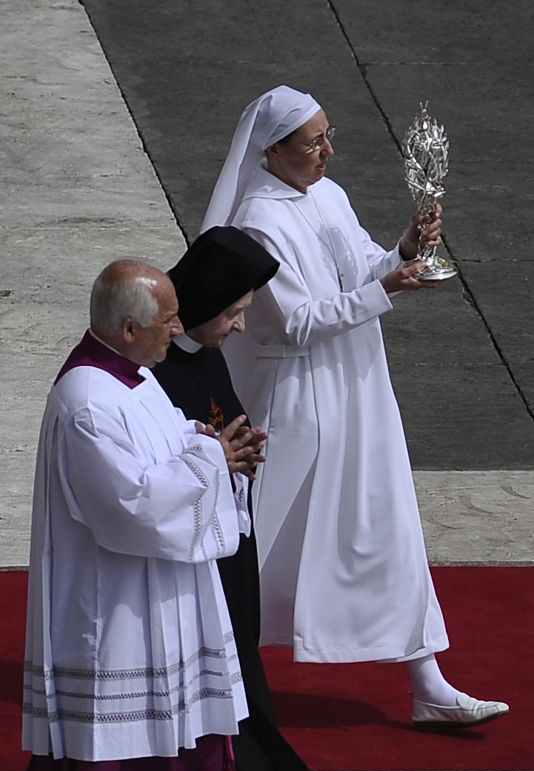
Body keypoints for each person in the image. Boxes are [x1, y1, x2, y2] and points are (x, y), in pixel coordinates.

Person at [199, 85, 509, 729]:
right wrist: (389, 290)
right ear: (273, 148)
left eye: (328, 136)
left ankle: (428, 682)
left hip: (359, 385)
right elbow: (292, 323)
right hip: (302, 398)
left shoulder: (326, 195)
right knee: (267, 538)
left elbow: (361, 265)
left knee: (390, 522)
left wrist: (401, 251)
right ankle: (209, 668)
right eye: (314, 143)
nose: (328, 152)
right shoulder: (259, 219)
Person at [17, 259, 248, 771]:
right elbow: (131, 507)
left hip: (159, 589)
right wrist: (212, 460)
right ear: (128, 329)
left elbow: (163, 449)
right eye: (168, 320)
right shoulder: (87, 403)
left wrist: (213, 448)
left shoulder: (137, 376)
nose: (177, 328)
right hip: (117, 603)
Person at [152, 225, 333, 771]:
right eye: (232, 312)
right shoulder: (153, 369)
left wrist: (241, 447)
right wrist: (216, 453)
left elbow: (219, 416)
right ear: (201, 301)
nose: (240, 327)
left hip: (227, 535)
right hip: (189, 549)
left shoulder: (206, 351)